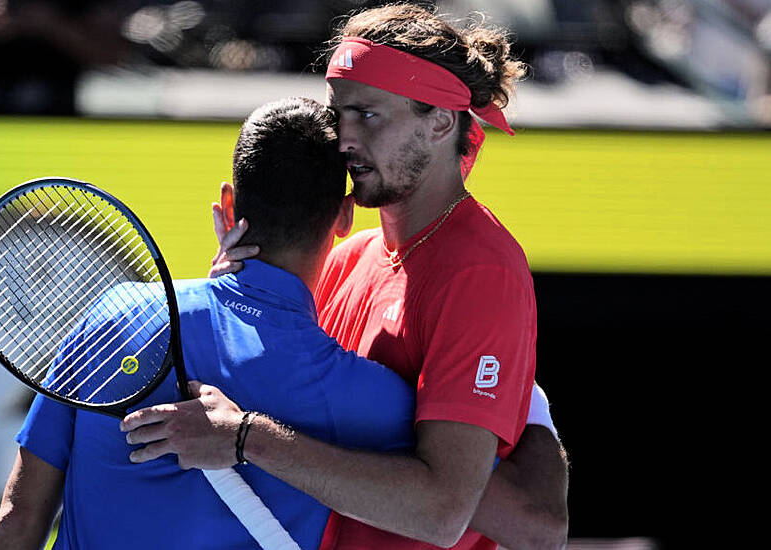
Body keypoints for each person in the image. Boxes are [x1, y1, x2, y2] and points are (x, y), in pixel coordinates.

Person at [122, 4, 569, 550]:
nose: (342, 139)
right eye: (339, 114)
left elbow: (441, 513)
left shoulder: (481, 270)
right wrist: (235, 295)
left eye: (368, 115)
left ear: (441, 122)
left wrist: (246, 439)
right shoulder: (345, 257)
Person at [0, 97, 419, 549]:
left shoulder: (114, 315)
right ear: (345, 216)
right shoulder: (376, 400)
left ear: (228, 206)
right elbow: (447, 505)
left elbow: (18, 518)